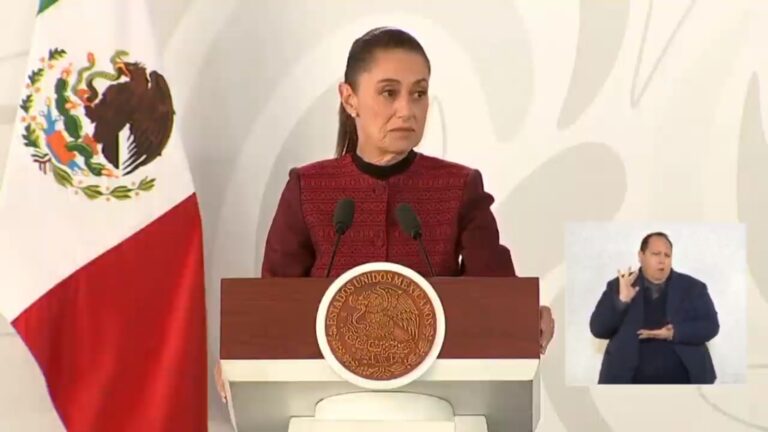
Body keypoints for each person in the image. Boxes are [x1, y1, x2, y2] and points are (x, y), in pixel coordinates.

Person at [216, 26, 554, 400]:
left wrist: (525, 316)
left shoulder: (459, 186)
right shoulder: (308, 187)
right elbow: (272, 305)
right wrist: (242, 353)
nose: (407, 110)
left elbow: (496, 295)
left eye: (419, 93)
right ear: (350, 99)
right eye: (389, 93)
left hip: (436, 401)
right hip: (327, 404)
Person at [589, 232, 719, 384]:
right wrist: (622, 301)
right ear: (641, 256)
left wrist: (674, 333)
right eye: (656, 254)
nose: (662, 260)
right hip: (628, 382)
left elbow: (711, 326)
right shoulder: (620, 285)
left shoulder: (693, 288)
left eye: (667, 255)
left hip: (684, 381)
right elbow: (598, 329)